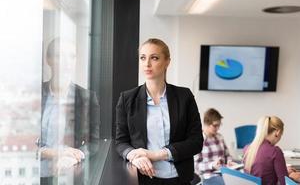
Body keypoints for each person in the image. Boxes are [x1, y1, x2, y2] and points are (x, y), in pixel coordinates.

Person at [115, 38, 203, 185]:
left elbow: (196, 142)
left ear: (167, 62)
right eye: (143, 58)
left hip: (179, 179)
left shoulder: (184, 96)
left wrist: (156, 155)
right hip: (143, 179)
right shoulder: (127, 99)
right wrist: (134, 156)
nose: (147, 64)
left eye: (154, 58)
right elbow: (121, 142)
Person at [39, 38, 100, 184]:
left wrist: (72, 157)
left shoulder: (87, 97)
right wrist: (56, 153)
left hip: (69, 175)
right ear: (48, 59)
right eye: (60, 55)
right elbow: (28, 143)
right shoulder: (36, 92)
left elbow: (94, 142)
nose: (67, 62)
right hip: (33, 173)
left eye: (71, 56)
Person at [243, 116, 300, 184]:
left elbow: (262, 172)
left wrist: (283, 172)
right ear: (277, 132)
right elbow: (284, 183)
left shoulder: (247, 148)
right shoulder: (275, 151)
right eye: (281, 134)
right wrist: (291, 177)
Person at [194, 108, 235, 185]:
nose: (218, 128)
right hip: (209, 176)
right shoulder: (198, 140)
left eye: (219, 125)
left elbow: (227, 155)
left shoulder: (220, 137)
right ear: (206, 123)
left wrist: (229, 161)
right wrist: (212, 165)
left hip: (224, 173)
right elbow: (196, 166)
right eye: (215, 125)